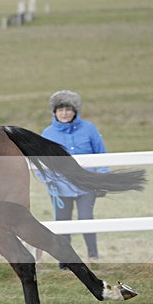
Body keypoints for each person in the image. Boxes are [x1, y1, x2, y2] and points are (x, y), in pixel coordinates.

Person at [40, 90, 107, 265]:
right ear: (54, 112)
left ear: (75, 111)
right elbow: (40, 163)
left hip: (87, 186)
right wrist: (48, 180)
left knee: (86, 219)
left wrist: (101, 179)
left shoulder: (89, 128)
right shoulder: (48, 133)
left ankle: (93, 257)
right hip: (60, 188)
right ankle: (65, 261)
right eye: (60, 110)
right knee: (62, 223)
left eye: (68, 109)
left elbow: (102, 154)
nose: (64, 113)